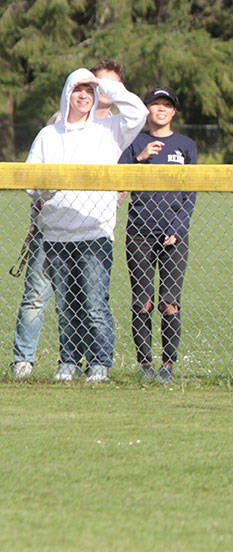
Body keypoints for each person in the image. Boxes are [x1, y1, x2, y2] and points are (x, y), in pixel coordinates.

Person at [26, 66, 147, 382]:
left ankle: (99, 363)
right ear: (67, 93)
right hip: (56, 233)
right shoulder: (48, 135)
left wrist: (104, 83)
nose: (83, 96)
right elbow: (29, 180)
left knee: (94, 304)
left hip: (95, 232)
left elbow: (139, 112)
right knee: (66, 307)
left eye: (89, 91)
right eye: (77, 89)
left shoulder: (109, 130)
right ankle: (68, 361)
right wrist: (48, 190)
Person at [118, 87, 197, 384]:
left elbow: (190, 195)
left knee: (169, 301)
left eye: (166, 105)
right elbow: (119, 180)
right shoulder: (135, 142)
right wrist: (139, 159)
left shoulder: (185, 145)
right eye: (155, 104)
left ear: (173, 111)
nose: (161, 109)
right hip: (140, 231)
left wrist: (177, 228)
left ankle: (167, 366)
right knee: (142, 300)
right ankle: (145, 365)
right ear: (147, 109)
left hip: (173, 234)